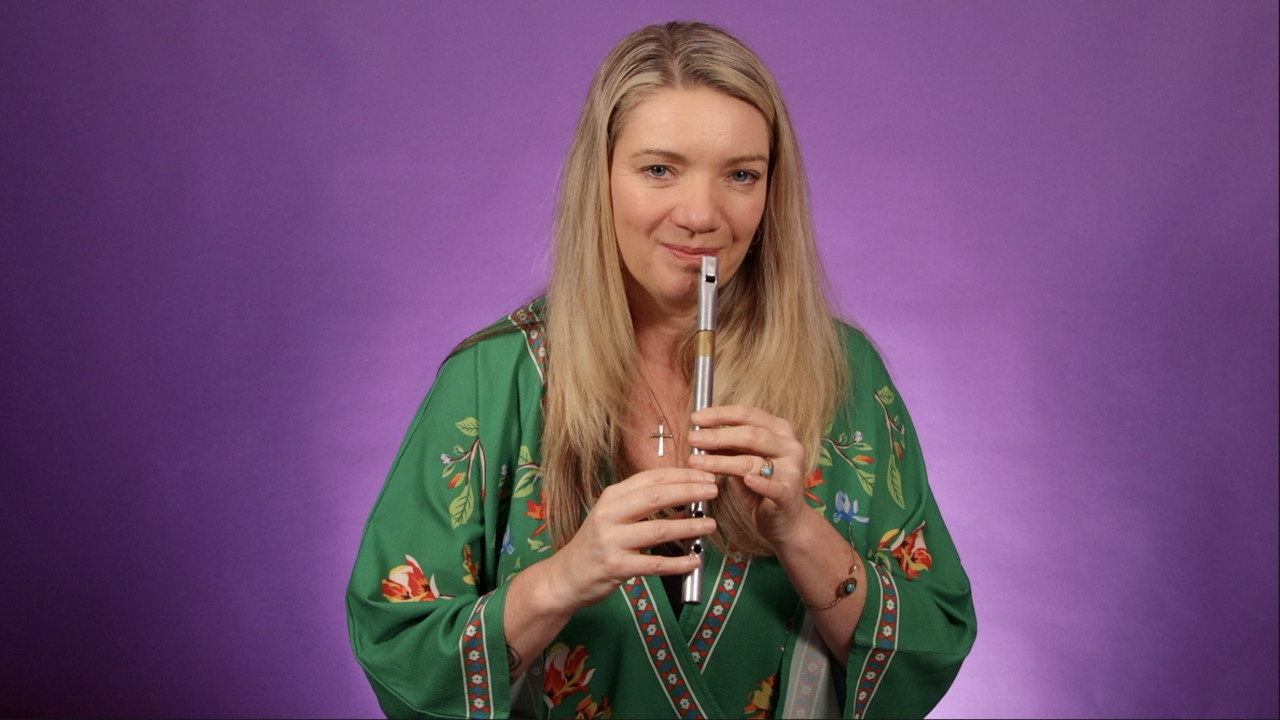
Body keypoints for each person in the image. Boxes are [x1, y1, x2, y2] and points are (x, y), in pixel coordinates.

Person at [347, 20, 976, 719]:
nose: (703, 215)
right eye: (659, 170)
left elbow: (932, 645)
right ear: (601, 180)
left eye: (741, 175)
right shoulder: (490, 378)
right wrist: (564, 579)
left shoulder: (844, 372)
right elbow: (400, 654)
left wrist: (801, 530)